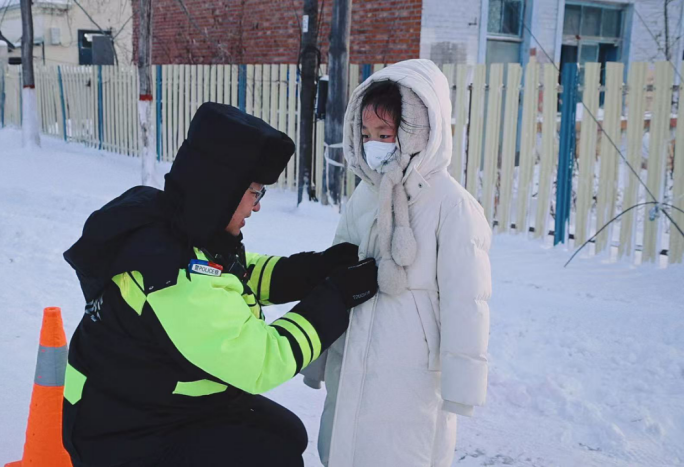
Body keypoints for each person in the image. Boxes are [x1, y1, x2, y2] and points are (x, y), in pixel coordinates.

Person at [61, 102, 379, 467]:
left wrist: (315, 269)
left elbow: (234, 274)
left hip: (151, 402)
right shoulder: (172, 280)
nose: (257, 207)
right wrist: (335, 297)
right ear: (223, 189)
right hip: (121, 437)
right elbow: (263, 360)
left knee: (287, 434)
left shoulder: (175, 223)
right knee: (274, 457)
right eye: (255, 192)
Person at [302, 59, 493, 466]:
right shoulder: (365, 196)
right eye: (366, 134)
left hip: (411, 373)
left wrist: (462, 388)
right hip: (352, 356)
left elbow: (466, 302)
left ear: (416, 129)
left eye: (384, 134)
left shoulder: (452, 206)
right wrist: (318, 359)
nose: (374, 144)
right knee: (344, 447)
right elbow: (332, 277)